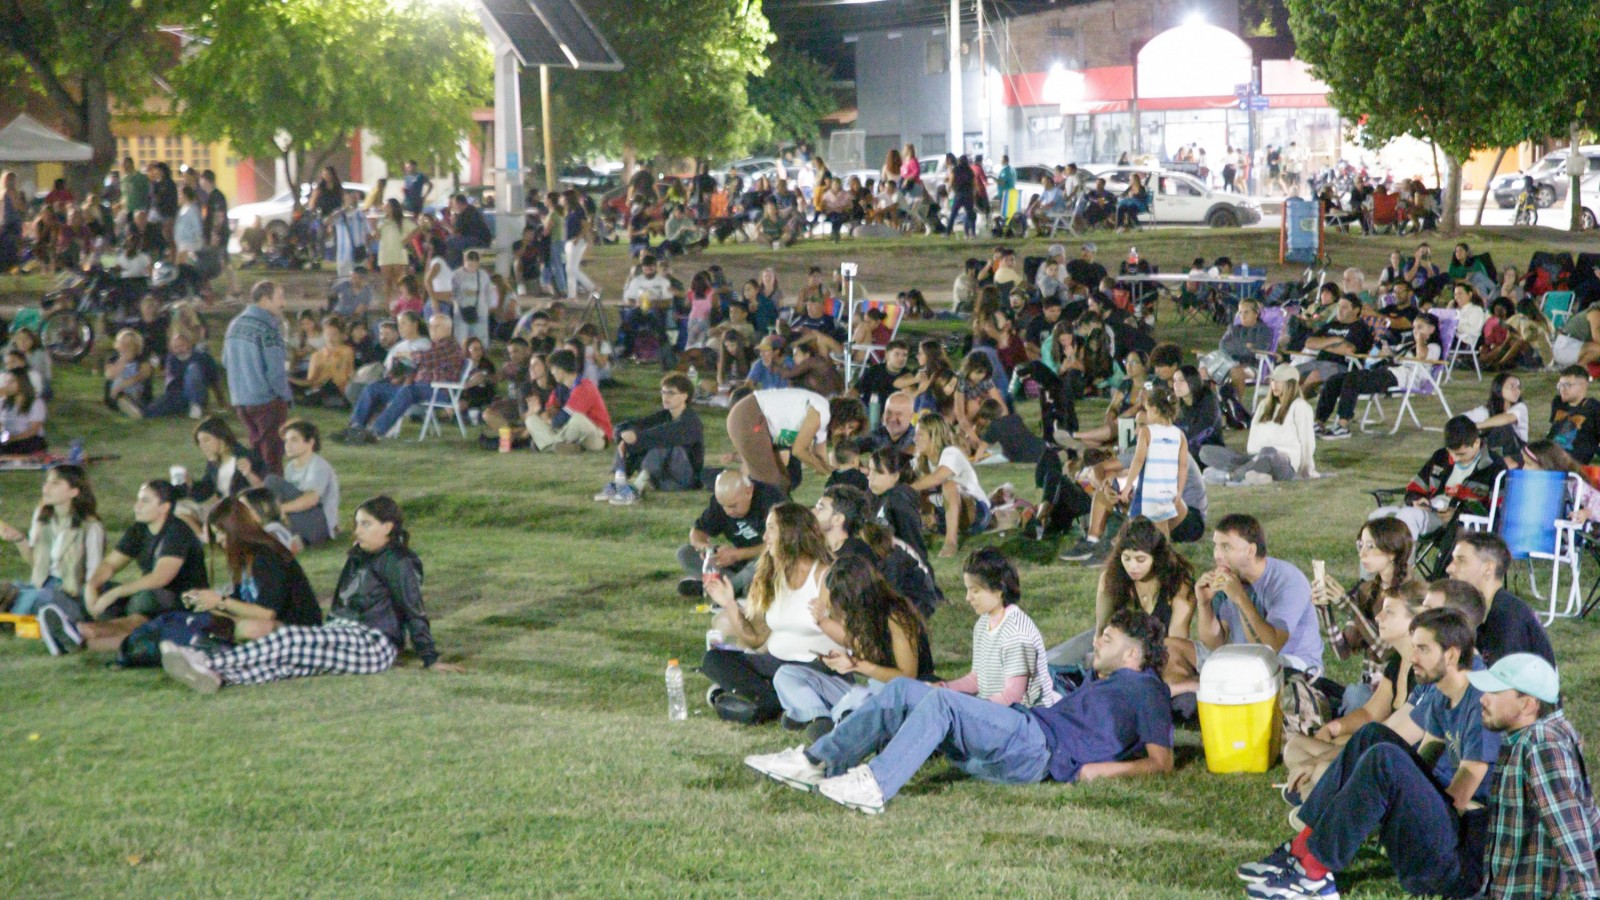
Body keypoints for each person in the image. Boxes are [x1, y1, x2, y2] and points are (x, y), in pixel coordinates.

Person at [743, 606, 1172, 815]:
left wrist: (1101, 772)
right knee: (906, 690)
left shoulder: (1147, 690)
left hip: (1039, 748)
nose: (1097, 642)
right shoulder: (1107, 681)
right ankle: (817, 760)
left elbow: (1161, 762)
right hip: (1028, 733)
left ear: (1134, 652)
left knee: (942, 704)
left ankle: (875, 785)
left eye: (1108, 638)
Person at [1235, 608, 1500, 900]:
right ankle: (1301, 852)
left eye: (1423, 649)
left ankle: (1314, 877)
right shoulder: (1442, 695)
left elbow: (1460, 797)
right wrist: (1376, 797)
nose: (1412, 659)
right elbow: (1422, 763)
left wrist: (1396, 803)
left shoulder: (1481, 703)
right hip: (1448, 827)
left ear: (1451, 655)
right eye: (1414, 649)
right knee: (1372, 737)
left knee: (1384, 758)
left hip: (1466, 855)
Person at [158, 496, 463, 692]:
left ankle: (209, 662)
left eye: (366, 525)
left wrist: (430, 658)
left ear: (388, 527)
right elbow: (343, 603)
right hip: (344, 633)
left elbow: (413, 609)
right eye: (357, 524)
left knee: (290, 641)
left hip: (373, 643)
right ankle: (219, 678)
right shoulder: (359, 555)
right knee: (292, 663)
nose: (357, 531)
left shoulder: (399, 561)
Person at [1282, 581, 1428, 804]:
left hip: (1391, 757)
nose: (1378, 617)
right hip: (1373, 742)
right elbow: (1370, 713)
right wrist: (1333, 727)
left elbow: (1386, 738)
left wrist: (1321, 758)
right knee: (1294, 747)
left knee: (1323, 766)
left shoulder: (1424, 674)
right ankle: (1313, 792)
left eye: (1389, 612)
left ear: (1415, 620)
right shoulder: (1399, 662)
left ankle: (1313, 798)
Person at [701, 502, 842, 724]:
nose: (765, 537)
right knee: (714, 659)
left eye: (771, 529)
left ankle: (759, 703)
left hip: (816, 669)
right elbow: (755, 639)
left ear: (792, 533)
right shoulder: (774, 575)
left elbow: (849, 635)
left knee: (785, 677)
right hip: (775, 663)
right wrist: (729, 603)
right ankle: (773, 703)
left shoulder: (825, 575)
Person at [1472, 654, 1600, 898]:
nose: (1483, 699)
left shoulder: (1541, 743)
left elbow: (1569, 830)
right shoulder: (1531, 737)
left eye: (1495, 692)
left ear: (1528, 704)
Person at [37, 481, 209, 655]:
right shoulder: (140, 529)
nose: (137, 506)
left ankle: (82, 631)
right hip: (151, 601)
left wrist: (116, 593)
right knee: (103, 591)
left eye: (145, 501)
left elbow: (161, 577)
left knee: (145, 599)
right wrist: (92, 586)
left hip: (184, 603)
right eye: (138, 500)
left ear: (164, 507)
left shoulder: (177, 532)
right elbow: (110, 564)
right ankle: (76, 633)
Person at [773, 553, 932, 738]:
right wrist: (824, 625)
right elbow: (859, 644)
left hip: (899, 696)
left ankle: (817, 715)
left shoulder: (897, 616)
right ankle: (817, 717)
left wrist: (858, 665)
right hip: (871, 691)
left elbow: (907, 677)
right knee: (786, 675)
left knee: (854, 703)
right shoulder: (863, 615)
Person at [1168, 513, 1323, 695]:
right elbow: (1214, 644)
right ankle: (1187, 703)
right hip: (1240, 660)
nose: (1217, 555)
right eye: (1216, 547)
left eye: (1226, 547)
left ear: (1250, 550)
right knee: (1170, 648)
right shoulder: (1228, 578)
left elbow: (1270, 647)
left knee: (1251, 671)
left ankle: (1197, 689)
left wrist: (1240, 597)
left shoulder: (1287, 581)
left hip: (1290, 665)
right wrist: (1204, 604)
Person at [1048, 517, 1194, 676]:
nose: (1132, 566)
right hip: (1118, 650)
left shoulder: (1178, 587)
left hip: (1159, 660)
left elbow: (1176, 647)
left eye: (1140, 559)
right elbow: (1101, 629)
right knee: (1057, 661)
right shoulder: (1111, 579)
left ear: (1156, 557)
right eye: (1127, 558)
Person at [175, 495, 324, 645]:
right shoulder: (244, 559)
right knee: (205, 618)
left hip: (299, 632)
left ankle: (217, 650)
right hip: (270, 626)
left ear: (237, 528)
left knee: (248, 628)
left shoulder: (267, 556)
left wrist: (220, 601)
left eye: (221, 532)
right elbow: (241, 602)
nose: (219, 539)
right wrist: (203, 600)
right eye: (216, 535)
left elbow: (267, 613)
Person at [1312, 517, 1415, 711]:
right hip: (1365, 687)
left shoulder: (1409, 594)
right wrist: (1325, 611)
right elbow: (1342, 652)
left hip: (1392, 694)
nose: (1362, 554)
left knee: (1354, 697)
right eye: (1360, 545)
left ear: (1392, 552)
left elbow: (1386, 652)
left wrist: (1348, 606)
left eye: (1370, 546)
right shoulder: (1366, 590)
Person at [1375, 416, 1503, 556]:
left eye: (1461, 454)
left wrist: (1458, 514)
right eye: (1451, 453)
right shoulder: (1440, 457)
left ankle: (1403, 574)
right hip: (1431, 512)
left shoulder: (1494, 466)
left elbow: (1497, 513)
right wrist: (1416, 500)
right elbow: (1414, 489)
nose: (1455, 459)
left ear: (1477, 443)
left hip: (1463, 525)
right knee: (1378, 516)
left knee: (1407, 516)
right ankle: (1370, 577)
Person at [337, 313, 464, 444]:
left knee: (407, 391)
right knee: (374, 388)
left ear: (448, 329)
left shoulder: (450, 346)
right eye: (431, 326)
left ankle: (375, 432)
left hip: (439, 390)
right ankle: (355, 427)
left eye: (437, 327)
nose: (432, 329)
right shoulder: (435, 345)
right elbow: (419, 366)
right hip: (418, 388)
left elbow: (426, 358)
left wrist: (407, 354)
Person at [1315, 311, 1443, 439]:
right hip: (1388, 372)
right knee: (1335, 380)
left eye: (1420, 327)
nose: (1415, 331)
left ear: (1431, 329)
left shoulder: (1434, 347)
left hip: (1402, 378)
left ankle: (1342, 426)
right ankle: (1319, 422)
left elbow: (1421, 357)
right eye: (1414, 327)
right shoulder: (1409, 345)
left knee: (1352, 380)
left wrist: (1420, 339)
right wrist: (1387, 352)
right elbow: (1393, 357)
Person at [0, 466, 105, 619]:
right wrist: (20, 540)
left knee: (40, 597)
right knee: (24, 593)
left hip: (70, 593)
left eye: (55, 484)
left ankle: (14, 612)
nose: (46, 488)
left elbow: (93, 576)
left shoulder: (90, 527)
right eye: (46, 483)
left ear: (74, 491)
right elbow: (36, 563)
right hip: (39, 585)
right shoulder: (43, 517)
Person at [1443, 531, 1555, 666]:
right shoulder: (1482, 610)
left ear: (1488, 569)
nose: (1449, 568)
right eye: (1453, 560)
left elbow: (1503, 681)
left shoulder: (1508, 618)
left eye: (1461, 560)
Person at [724, 388, 865, 493]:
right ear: (842, 414)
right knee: (771, 485)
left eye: (852, 431)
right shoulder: (821, 411)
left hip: (756, 422)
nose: (847, 432)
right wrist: (828, 472)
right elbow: (799, 450)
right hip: (750, 416)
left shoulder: (823, 424)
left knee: (786, 482)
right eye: (849, 426)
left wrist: (840, 474)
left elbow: (820, 458)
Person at [1200, 364, 1319, 484]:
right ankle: (1256, 474)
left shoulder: (1300, 406)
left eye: (1279, 381)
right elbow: (1254, 436)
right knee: (1205, 451)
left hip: (1283, 462)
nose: (1274, 385)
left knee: (1268, 452)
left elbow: (1307, 440)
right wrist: (1252, 458)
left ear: (1291, 384)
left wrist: (1307, 469)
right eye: (1273, 381)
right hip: (1256, 457)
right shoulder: (1264, 405)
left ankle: (1231, 476)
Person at [596, 372, 703, 504]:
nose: (665, 397)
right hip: (661, 479)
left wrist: (635, 437)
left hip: (684, 480)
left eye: (671, 393)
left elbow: (662, 434)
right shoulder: (664, 416)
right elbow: (628, 426)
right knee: (633, 437)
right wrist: (624, 434)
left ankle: (636, 489)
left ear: (685, 396)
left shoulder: (690, 422)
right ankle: (620, 483)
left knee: (662, 442)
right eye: (663, 392)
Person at [676, 471, 784, 598]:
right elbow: (697, 532)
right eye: (723, 506)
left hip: (768, 561)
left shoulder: (771, 500)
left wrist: (737, 555)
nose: (728, 512)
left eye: (733, 506)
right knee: (684, 553)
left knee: (760, 564)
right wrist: (709, 550)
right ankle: (738, 588)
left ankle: (721, 589)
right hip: (738, 565)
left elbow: (784, 544)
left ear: (748, 492)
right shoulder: (722, 502)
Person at [223, 280, 293, 474]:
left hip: (241, 400)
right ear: (264, 299)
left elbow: (225, 360)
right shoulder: (268, 328)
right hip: (266, 401)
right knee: (272, 457)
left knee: (256, 453)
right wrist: (285, 396)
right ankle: (272, 498)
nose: (283, 303)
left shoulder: (234, 325)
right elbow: (276, 372)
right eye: (280, 297)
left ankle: (255, 494)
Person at [909, 411, 988, 558]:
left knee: (949, 485)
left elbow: (938, 477)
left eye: (920, 435)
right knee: (917, 490)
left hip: (977, 512)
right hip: (944, 515)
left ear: (935, 436)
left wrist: (906, 488)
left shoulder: (951, 453)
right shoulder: (920, 461)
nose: (914, 439)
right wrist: (926, 511)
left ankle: (951, 542)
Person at [1121, 385, 1190, 538]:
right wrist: (1179, 491)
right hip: (1168, 491)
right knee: (1162, 527)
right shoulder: (1179, 435)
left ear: (1155, 410)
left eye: (1147, 410)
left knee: (1133, 529)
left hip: (1148, 492)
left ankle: (1143, 556)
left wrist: (1127, 486)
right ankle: (1165, 557)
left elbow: (1138, 460)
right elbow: (1183, 466)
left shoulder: (1147, 432)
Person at [262, 419, 339, 547]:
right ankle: (287, 538)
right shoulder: (290, 467)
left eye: (294, 440)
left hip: (317, 523)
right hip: (300, 518)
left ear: (310, 443)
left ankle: (283, 535)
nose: (288, 445)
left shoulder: (318, 466)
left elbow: (311, 500)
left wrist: (279, 509)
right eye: (286, 441)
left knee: (271, 481)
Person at [527, 348, 612, 454]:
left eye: (553, 369)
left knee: (578, 419)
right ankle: (561, 446)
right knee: (531, 420)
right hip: (569, 434)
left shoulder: (585, 386)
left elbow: (561, 419)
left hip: (595, 436)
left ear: (561, 370)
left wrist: (546, 418)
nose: (552, 372)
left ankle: (549, 445)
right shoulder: (560, 389)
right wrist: (539, 412)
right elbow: (549, 413)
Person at [184, 416, 264, 504]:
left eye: (206, 440)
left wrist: (249, 474)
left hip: (246, 509)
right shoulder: (213, 461)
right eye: (199, 442)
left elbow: (264, 489)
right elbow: (206, 490)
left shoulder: (246, 457)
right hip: (226, 509)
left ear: (221, 438)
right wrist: (191, 484)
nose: (202, 446)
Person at [144, 329, 222, 420]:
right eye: (176, 347)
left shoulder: (202, 357)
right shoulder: (171, 358)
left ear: (189, 343)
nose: (179, 349)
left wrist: (221, 401)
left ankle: (196, 406)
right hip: (177, 396)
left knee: (193, 369)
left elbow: (214, 380)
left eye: (182, 345)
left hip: (198, 393)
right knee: (150, 411)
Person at [1463, 372, 1528, 460]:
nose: (1516, 391)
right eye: (1512, 387)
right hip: (1492, 453)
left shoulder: (1521, 407)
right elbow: (1460, 419)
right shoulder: (1486, 410)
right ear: (1499, 389)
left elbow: (1507, 419)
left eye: (1518, 387)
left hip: (1517, 454)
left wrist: (1476, 426)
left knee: (1503, 427)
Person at [1546, 364, 1600, 464]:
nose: (1562, 389)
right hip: (1549, 456)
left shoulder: (1593, 407)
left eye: (1568, 385)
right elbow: (1552, 432)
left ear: (1583, 385)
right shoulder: (1558, 402)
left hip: (1572, 461)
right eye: (1560, 385)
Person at [0, 367, 46, 455]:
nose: (7, 385)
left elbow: (34, 430)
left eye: (11, 382)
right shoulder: (3, 403)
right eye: (6, 382)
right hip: (8, 438)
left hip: (29, 439)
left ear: (22, 382)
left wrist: (13, 438)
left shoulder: (35, 403)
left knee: (29, 444)